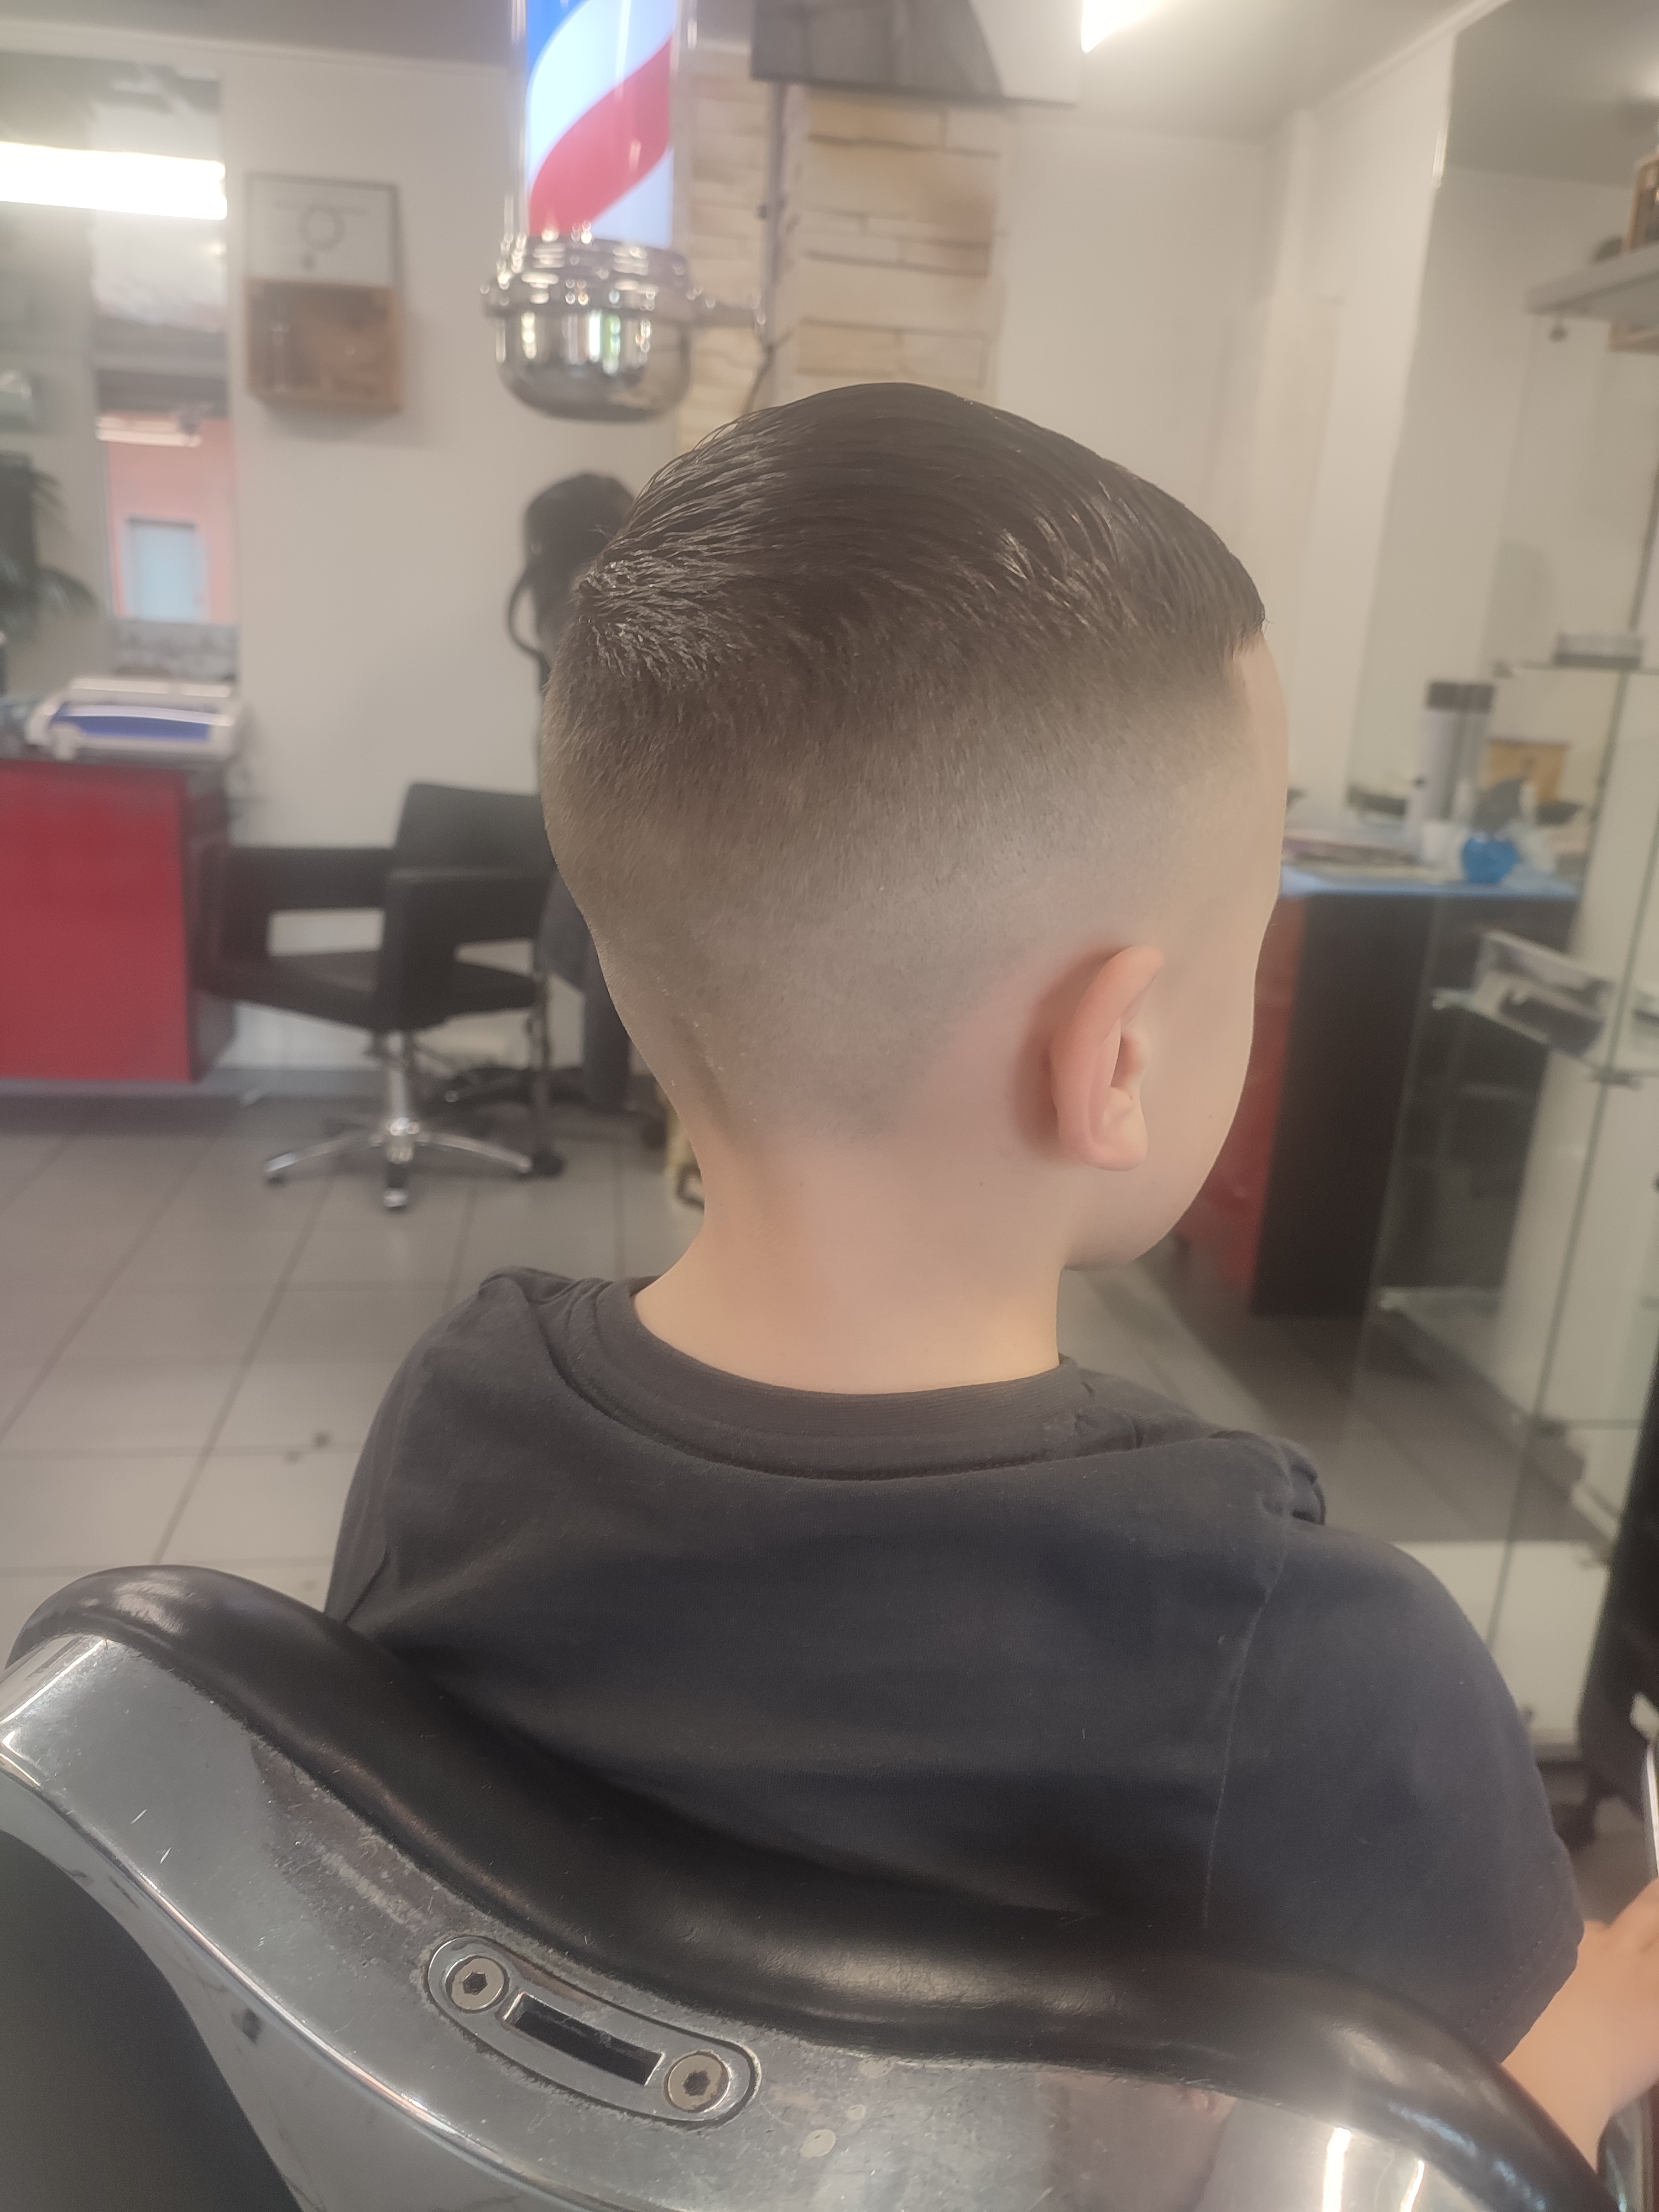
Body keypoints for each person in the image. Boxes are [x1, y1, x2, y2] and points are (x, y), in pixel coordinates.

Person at [327, 383, 1659, 2166]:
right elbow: (1486, 2162)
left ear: (632, 975)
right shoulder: (1309, 1658)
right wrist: (1615, 2021)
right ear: (1114, 1057)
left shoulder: (453, 1430)